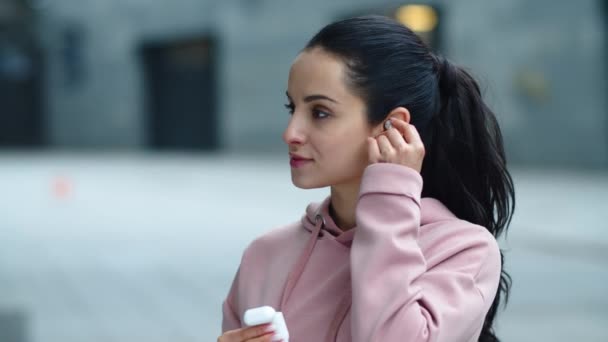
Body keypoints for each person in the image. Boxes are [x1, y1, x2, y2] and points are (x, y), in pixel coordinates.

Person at [218, 14, 515, 342]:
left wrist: (390, 191)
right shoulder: (264, 254)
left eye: (320, 113)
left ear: (392, 125)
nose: (291, 133)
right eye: (293, 109)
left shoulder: (461, 250)